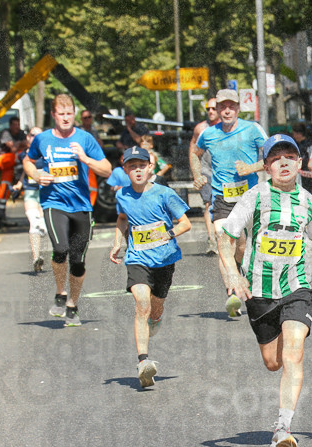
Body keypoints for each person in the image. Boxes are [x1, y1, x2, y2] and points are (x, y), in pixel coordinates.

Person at [216, 134, 312, 447]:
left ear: (299, 163)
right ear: (266, 166)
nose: (283, 162)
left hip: (297, 285)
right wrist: (231, 272)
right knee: (273, 362)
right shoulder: (254, 197)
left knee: (293, 354)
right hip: (259, 291)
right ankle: (278, 347)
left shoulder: (308, 203)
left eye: (289, 157)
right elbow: (226, 237)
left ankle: (282, 429)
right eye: (275, 158)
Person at [23, 94, 112, 326]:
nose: (65, 118)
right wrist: (36, 175)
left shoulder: (85, 138)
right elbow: (28, 161)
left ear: (74, 114)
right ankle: (60, 293)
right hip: (54, 203)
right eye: (61, 114)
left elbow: (107, 170)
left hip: (81, 205)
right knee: (60, 248)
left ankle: (73, 304)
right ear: (53, 115)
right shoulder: (42, 139)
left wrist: (85, 158)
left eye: (69, 114)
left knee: (78, 260)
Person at [109, 145, 192, 388]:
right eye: (132, 166)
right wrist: (117, 243)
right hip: (137, 258)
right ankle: (144, 362)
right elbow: (123, 218)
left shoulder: (164, 194)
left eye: (141, 166)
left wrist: (169, 234)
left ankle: (155, 319)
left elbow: (185, 223)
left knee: (155, 309)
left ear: (150, 168)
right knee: (142, 303)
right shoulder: (122, 195)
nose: (137, 170)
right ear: (125, 169)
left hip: (164, 259)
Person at [190, 89, 268, 318]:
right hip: (222, 197)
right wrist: (197, 175)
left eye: (231, 106)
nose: (226, 110)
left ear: (238, 108)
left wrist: (251, 168)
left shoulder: (252, 129)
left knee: (241, 246)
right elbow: (195, 154)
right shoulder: (208, 133)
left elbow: (272, 156)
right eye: (222, 106)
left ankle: (239, 270)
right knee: (224, 238)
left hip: (249, 196)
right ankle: (232, 293)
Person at [189, 97, 220, 254]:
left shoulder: (229, 128)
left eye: (214, 108)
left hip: (224, 173)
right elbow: (193, 150)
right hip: (206, 171)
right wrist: (196, 174)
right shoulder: (201, 128)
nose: (211, 111)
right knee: (209, 204)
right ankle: (212, 239)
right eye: (208, 109)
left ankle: (225, 237)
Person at [16, 127, 48, 272]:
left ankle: (56, 256)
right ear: (27, 137)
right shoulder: (25, 154)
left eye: (38, 135)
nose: (34, 137)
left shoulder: (48, 152)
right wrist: (19, 184)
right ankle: (36, 258)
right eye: (32, 135)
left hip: (45, 191)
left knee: (43, 225)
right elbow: (25, 169)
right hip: (30, 191)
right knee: (33, 222)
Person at [0, 116, 27, 223]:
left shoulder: (21, 133)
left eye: (18, 124)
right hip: (3, 159)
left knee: (5, 184)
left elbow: (27, 144)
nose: (17, 127)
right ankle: (1, 210)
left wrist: (19, 145)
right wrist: (19, 145)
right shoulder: (6, 133)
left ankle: (1, 210)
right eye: (15, 125)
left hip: (11, 166)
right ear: (10, 125)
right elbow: (13, 149)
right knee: (16, 156)